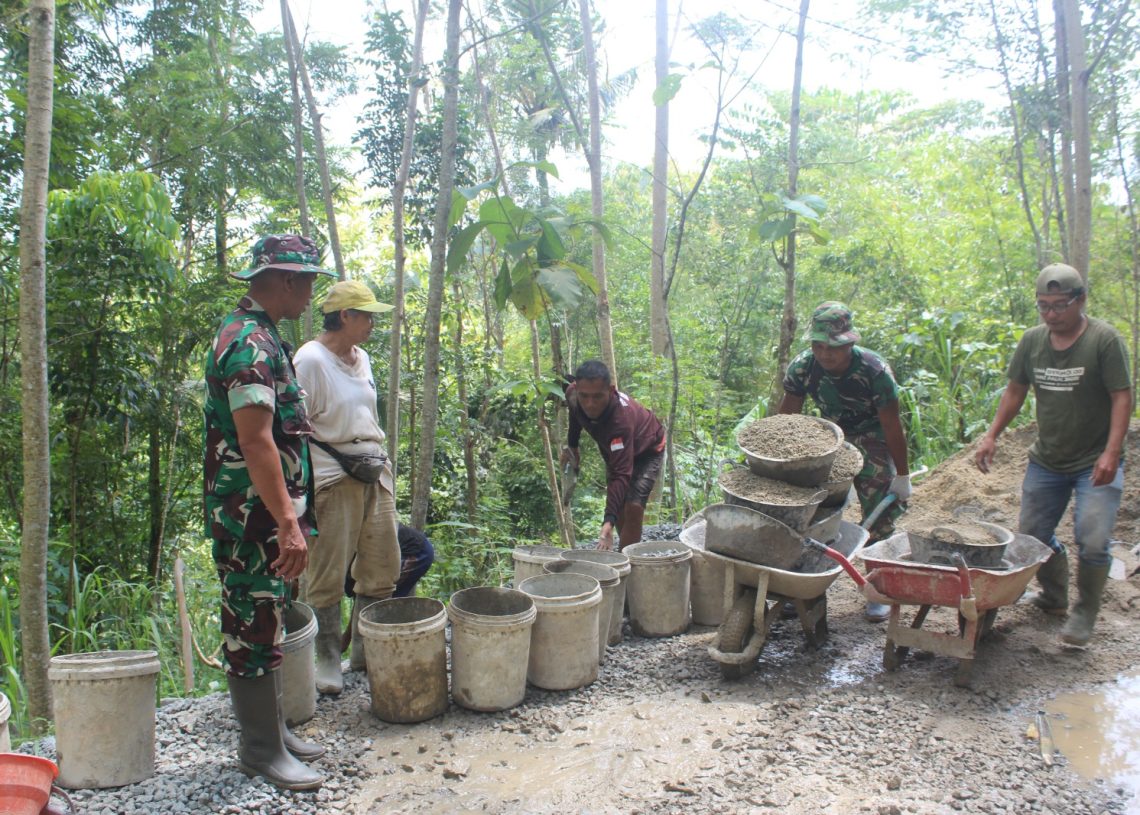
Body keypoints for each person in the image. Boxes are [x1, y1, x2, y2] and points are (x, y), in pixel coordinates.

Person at [203, 233, 332, 791]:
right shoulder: (249, 344)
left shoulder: (264, 336)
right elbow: (255, 441)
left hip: (265, 514)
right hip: (250, 519)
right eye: (308, 283)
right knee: (251, 624)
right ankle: (259, 750)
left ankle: (273, 733)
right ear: (286, 280)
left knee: (269, 616)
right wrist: (285, 522)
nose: (310, 296)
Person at [975, 264, 1131, 647]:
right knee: (1032, 536)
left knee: (1093, 539)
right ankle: (1054, 596)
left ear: (1081, 300)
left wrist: (1111, 453)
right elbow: (1015, 390)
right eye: (1043, 306)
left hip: (1095, 458)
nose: (1050, 314)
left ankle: (1084, 612)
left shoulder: (1104, 341)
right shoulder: (1032, 341)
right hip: (1048, 458)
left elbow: (1122, 397)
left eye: (1059, 306)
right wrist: (991, 434)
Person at [293, 280, 400, 695]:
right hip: (333, 477)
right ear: (344, 317)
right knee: (328, 571)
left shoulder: (363, 358)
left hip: (374, 470)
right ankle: (326, 658)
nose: (372, 323)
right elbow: (295, 428)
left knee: (381, 564)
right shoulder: (311, 360)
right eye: (366, 315)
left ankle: (364, 652)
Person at [778, 301, 912, 623]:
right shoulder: (803, 367)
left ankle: (879, 588)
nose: (825, 354)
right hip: (830, 436)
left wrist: (902, 475)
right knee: (813, 509)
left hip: (872, 435)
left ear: (850, 342)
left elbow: (893, 425)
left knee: (879, 509)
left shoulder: (873, 371)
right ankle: (804, 585)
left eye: (833, 347)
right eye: (818, 346)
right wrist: (779, 466)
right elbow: (785, 421)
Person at [561, 360, 666, 551]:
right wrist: (573, 446)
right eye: (584, 396)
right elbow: (575, 414)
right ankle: (620, 546)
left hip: (648, 449)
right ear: (577, 390)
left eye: (597, 397)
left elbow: (621, 474)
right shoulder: (573, 395)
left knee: (633, 506)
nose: (590, 404)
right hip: (613, 448)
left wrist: (607, 521)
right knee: (618, 505)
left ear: (610, 391)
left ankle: (626, 564)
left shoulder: (620, 421)